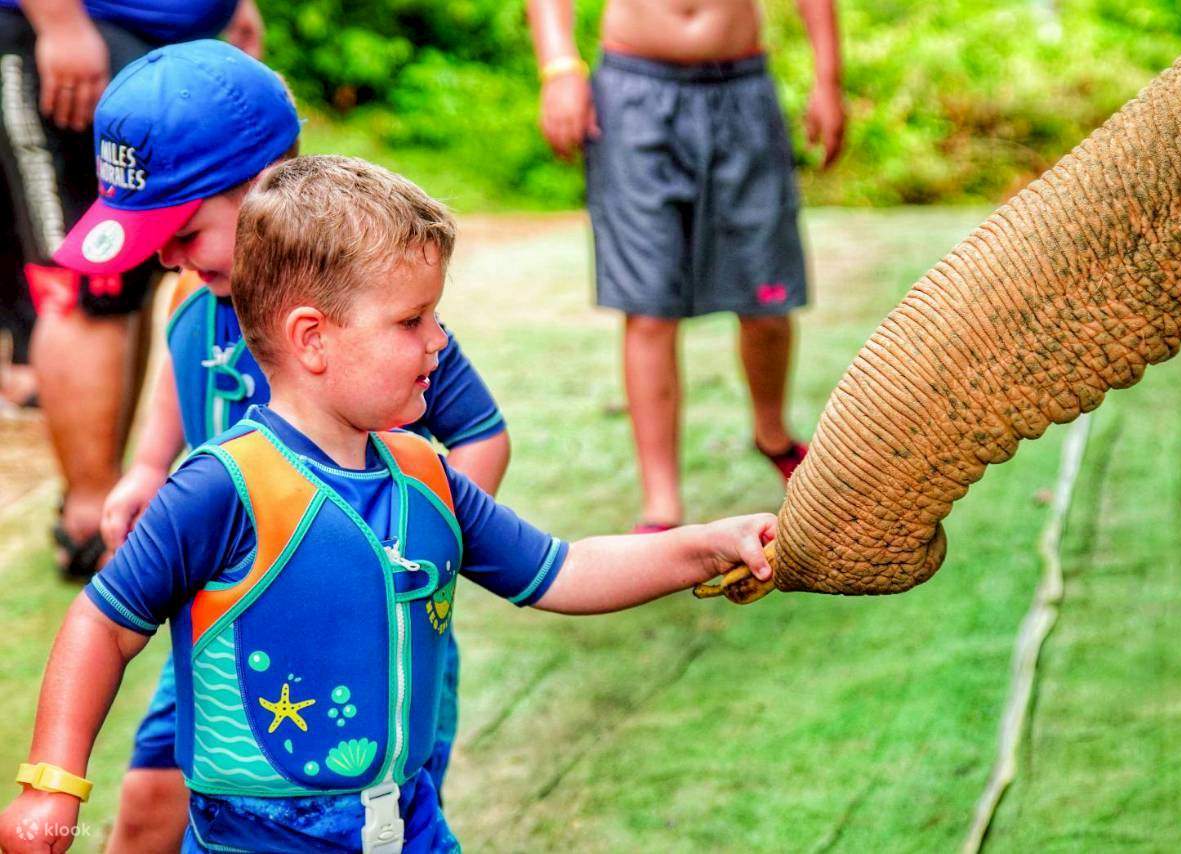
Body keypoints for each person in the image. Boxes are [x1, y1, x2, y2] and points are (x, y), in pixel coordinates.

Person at [0, 153, 776, 853]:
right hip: (258, 841)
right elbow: (102, 624)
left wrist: (706, 544)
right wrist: (50, 784)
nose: (438, 341)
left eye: (432, 314)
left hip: (410, 826)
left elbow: (563, 571)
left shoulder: (425, 477)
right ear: (312, 338)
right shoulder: (220, 489)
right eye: (412, 321)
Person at [45, 41, 511, 852]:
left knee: (372, 806)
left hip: (360, 639)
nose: (165, 257)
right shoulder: (200, 299)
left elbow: (480, 435)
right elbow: (178, 368)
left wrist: (421, 549)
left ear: (270, 193)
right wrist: (149, 467)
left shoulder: (376, 329)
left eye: (184, 231)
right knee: (151, 803)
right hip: (225, 618)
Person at [528, 0, 845, 532]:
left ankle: (772, 433)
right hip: (632, 94)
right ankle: (662, 507)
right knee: (648, 309)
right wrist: (559, 66)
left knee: (767, 304)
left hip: (741, 90)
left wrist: (828, 79)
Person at [0, 0, 263, 576]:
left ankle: (118, 490)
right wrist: (60, 22)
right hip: (76, 37)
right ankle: (90, 521)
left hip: (162, 42)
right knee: (87, 284)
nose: (178, 261)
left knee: (136, 278)